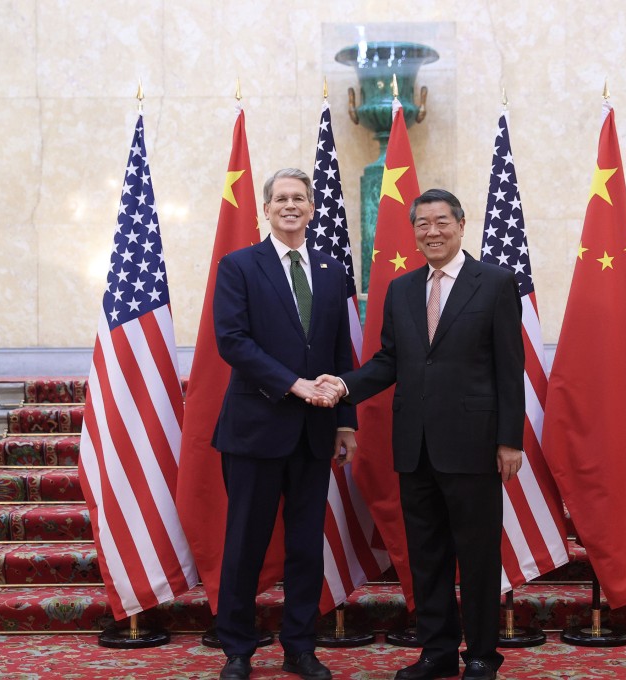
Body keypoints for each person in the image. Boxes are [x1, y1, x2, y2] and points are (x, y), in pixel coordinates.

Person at [316, 189, 524, 680]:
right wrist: (345, 384)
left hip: (475, 447)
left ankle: (480, 656)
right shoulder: (403, 289)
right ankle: (437, 652)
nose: (432, 232)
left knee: (476, 558)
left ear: (461, 224)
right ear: (413, 232)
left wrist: (509, 440)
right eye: (423, 224)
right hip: (415, 448)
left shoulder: (494, 283)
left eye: (441, 222)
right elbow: (391, 360)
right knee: (426, 557)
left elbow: (509, 369)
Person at [211, 168, 357, 680]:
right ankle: (237, 649)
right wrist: (293, 384)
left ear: (313, 208)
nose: (290, 206)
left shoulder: (333, 268)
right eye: (281, 199)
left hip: (316, 434)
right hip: (256, 428)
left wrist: (346, 421)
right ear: (265, 210)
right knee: (245, 544)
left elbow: (341, 348)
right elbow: (232, 341)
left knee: (304, 547)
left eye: (300, 198)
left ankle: (300, 645)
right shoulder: (239, 266)